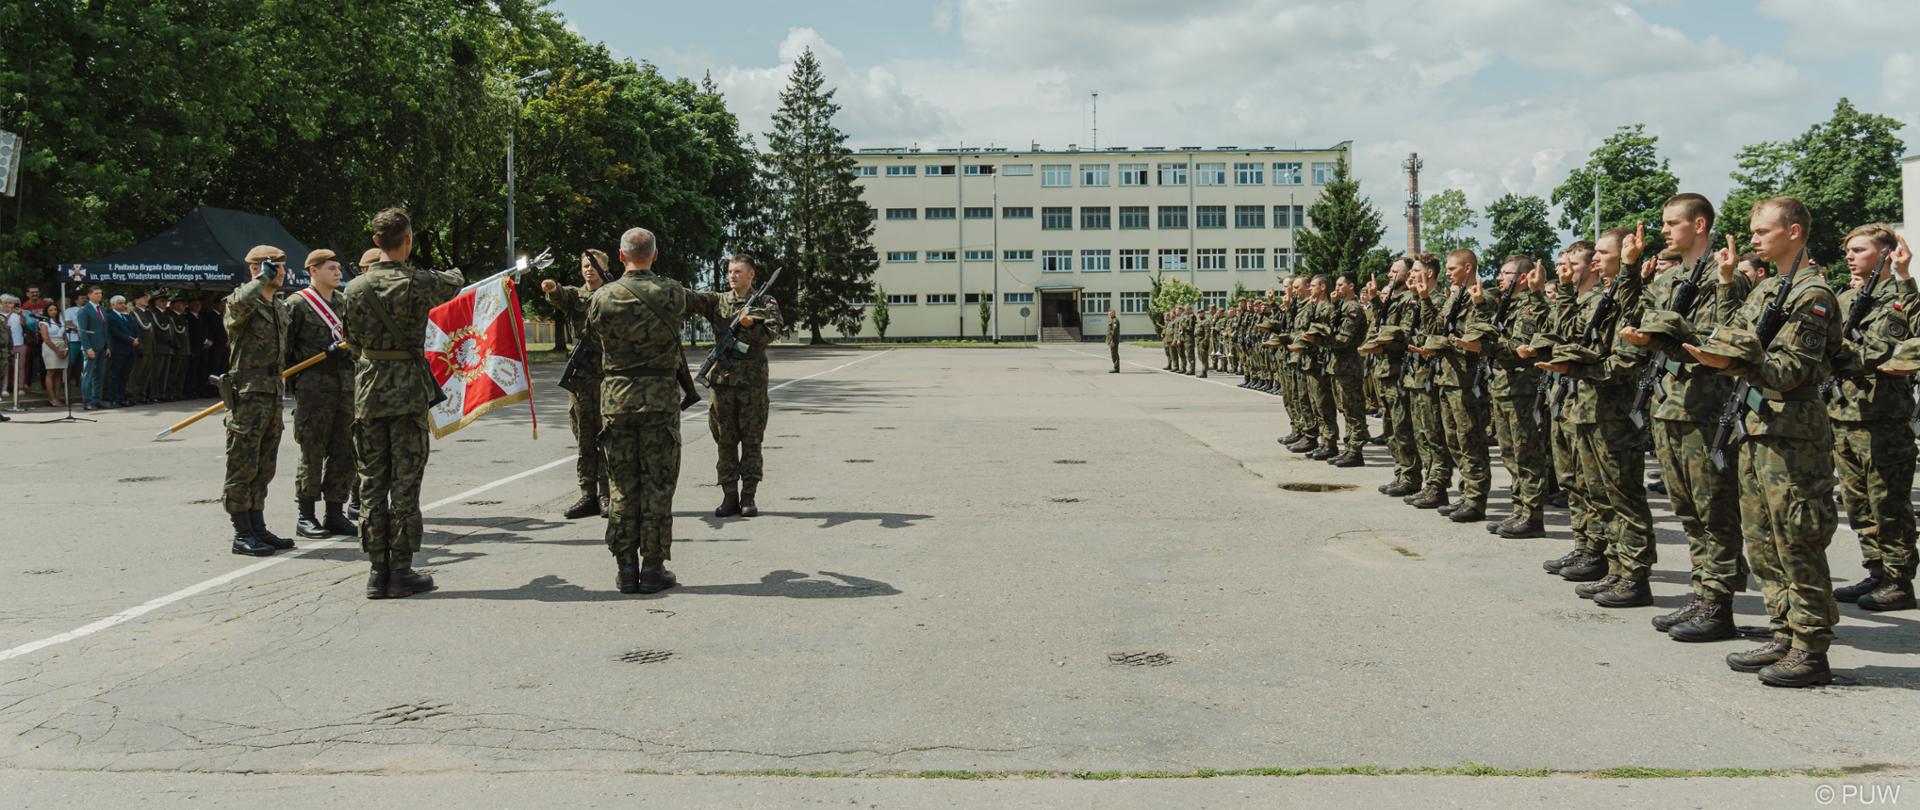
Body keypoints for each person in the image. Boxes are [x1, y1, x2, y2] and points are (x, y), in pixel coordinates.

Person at [1683, 196, 1841, 687]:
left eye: (1763, 231)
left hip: (1792, 433)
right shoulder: (1769, 287)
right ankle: (1784, 631)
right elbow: (1733, 332)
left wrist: (1738, 359)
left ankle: (1811, 647)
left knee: (1797, 538)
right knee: (1762, 540)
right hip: (1755, 427)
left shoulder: (1813, 295)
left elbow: (1789, 371)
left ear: (1794, 232)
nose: (1753, 238)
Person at [1617, 194, 1753, 639]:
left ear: (1699, 224)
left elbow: (1728, 335)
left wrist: (1673, 333)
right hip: (1670, 405)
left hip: (1706, 407)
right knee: (1688, 509)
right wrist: (1630, 271)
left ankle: (1720, 602)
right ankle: (1702, 591)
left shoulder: (1726, 275)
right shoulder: (1669, 276)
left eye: (1672, 222)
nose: (1664, 230)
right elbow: (1633, 315)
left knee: (1715, 508)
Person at [589, 227, 737, 594]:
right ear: (654, 255)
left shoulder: (602, 298)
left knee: (621, 485)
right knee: (658, 484)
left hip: (617, 401)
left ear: (621, 257)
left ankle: (625, 569)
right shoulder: (671, 292)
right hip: (659, 402)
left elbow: (592, 334)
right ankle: (653, 567)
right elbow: (709, 303)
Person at [342, 209, 463, 599]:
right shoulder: (421, 282)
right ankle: (402, 569)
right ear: (408, 239)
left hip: (370, 389)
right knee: (406, 484)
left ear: (376, 243)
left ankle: (377, 571)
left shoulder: (355, 289)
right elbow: (455, 282)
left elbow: (352, 341)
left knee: (373, 484)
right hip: (408, 391)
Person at [1823, 227, 1915, 612]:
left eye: (1858, 250)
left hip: (1882, 418)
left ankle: (1898, 580)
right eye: (1847, 250)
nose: (1850, 256)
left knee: (1888, 504)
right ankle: (1876, 570)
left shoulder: (1897, 300)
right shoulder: (1846, 297)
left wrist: (1829, 349)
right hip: (1843, 413)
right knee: (1858, 503)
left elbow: (1874, 353)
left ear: (1884, 254)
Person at [697, 253, 784, 518]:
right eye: (730, 271)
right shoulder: (718, 301)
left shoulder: (765, 303)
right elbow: (690, 299)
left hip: (752, 385)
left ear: (751, 275)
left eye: (738, 271)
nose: (732, 276)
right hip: (722, 383)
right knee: (725, 441)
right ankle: (729, 496)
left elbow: (772, 334)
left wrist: (751, 325)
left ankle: (748, 497)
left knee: (752, 440)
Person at [220, 248, 294, 557]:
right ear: (255, 268)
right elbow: (237, 307)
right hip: (249, 392)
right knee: (243, 463)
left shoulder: (276, 305)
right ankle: (242, 532)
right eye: (273, 267)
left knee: (265, 464)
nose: (280, 272)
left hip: (273, 389)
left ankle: (258, 524)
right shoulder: (242, 301)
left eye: (281, 266)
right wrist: (260, 277)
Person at [285, 248, 359, 540]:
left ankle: (334, 512)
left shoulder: (344, 302)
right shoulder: (297, 304)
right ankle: (306, 515)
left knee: (345, 451)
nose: (337, 273)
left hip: (345, 387)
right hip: (314, 389)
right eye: (330, 268)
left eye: (338, 268)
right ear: (313, 271)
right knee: (312, 451)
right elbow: (286, 350)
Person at [1476, 256, 1552, 538]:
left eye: (1506, 273)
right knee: (1509, 453)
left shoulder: (1531, 306)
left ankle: (1532, 516)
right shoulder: (1507, 304)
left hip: (1522, 388)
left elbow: (1521, 346)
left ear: (1523, 278)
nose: (1499, 278)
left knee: (1527, 453)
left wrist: (1485, 344)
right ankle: (1519, 509)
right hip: (1503, 386)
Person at [542, 249, 613, 520]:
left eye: (594, 265)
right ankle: (588, 493)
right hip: (581, 381)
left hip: (608, 378)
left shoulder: (614, 294)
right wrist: (552, 288)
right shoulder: (577, 296)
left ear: (605, 269)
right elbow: (561, 295)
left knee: (606, 437)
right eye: (585, 265)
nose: (589, 269)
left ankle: (607, 493)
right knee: (584, 438)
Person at [75, 286, 109, 410]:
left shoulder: (102, 309)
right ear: (89, 295)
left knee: (99, 375)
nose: (99, 295)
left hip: (102, 347)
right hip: (91, 347)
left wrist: (107, 346)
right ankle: (87, 401)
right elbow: (82, 331)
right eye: (96, 293)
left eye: (100, 293)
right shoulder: (84, 310)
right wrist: (87, 348)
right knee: (88, 375)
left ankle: (97, 399)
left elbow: (105, 329)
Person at [105, 295, 138, 407]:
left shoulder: (127, 316)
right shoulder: (110, 316)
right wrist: (130, 341)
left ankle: (122, 398)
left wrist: (136, 339)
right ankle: (113, 398)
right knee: (115, 375)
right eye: (120, 303)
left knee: (125, 375)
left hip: (129, 350)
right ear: (113, 305)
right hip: (118, 349)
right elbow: (116, 332)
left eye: (124, 302)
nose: (123, 305)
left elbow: (134, 329)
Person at [128, 291, 158, 404]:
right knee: (137, 374)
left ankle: (142, 395)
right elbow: (134, 331)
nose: (146, 300)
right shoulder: (133, 313)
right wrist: (138, 347)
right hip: (141, 348)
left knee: (147, 373)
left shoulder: (148, 313)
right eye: (144, 298)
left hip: (150, 347)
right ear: (136, 300)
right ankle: (133, 396)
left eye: (147, 298)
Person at [39, 300, 68, 407]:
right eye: (51, 310)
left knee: (59, 373)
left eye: (55, 309)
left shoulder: (60, 321)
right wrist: (57, 351)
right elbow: (45, 338)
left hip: (62, 345)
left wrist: (66, 348)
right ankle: (52, 398)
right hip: (50, 347)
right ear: (46, 312)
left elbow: (65, 336)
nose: (54, 311)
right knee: (51, 372)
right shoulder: (44, 322)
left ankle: (57, 396)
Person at [1, 294, 25, 401]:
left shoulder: (17, 314)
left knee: (20, 367)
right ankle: (4, 389)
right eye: (5, 302)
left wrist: (21, 315)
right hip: (4, 346)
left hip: (19, 343)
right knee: (3, 368)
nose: (8, 304)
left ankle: (20, 387)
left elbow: (24, 324)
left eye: (10, 302)